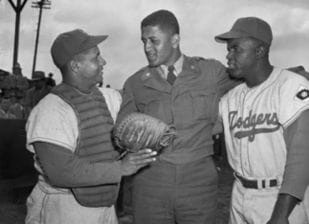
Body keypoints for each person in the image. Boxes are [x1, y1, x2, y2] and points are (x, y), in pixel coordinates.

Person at [117, 9, 239, 224]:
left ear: (175, 40)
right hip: (151, 180)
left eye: (154, 41)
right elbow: (120, 131)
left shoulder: (210, 72)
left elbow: (250, 83)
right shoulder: (135, 83)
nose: (147, 48)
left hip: (198, 180)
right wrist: (131, 139)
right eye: (143, 41)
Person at [25, 29, 157, 224]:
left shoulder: (106, 97)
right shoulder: (51, 110)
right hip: (64, 207)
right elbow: (62, 173)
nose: (104, 62)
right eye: (96, 57)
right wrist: (121, 168)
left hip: (103, 204)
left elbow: (139, 99)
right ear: (76, 66)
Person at [215, 17, 309, 224]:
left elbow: (302, 158)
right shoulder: (229, 99)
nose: (228, 56)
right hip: (239, 193)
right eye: (228, 50)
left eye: (236, 49)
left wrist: (281, 215)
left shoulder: (290, 87)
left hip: (279, 196)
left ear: (259, 51)